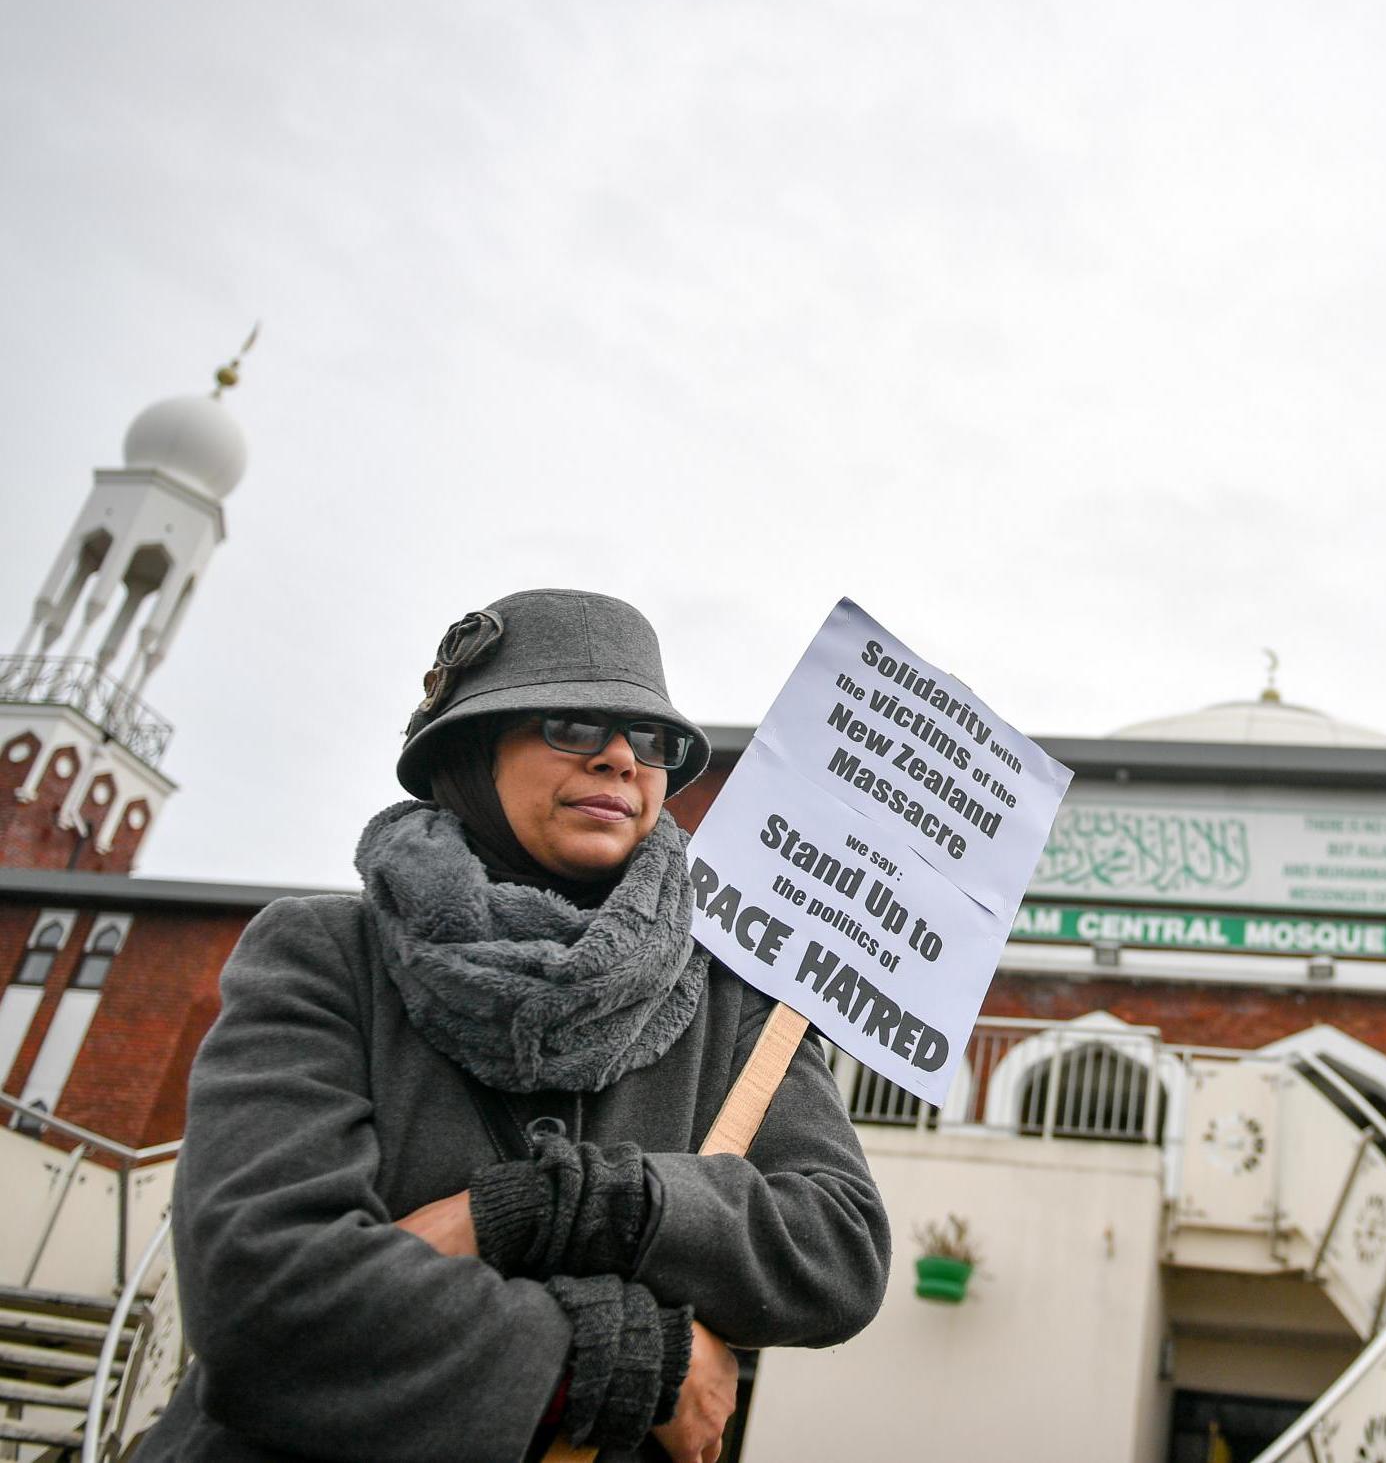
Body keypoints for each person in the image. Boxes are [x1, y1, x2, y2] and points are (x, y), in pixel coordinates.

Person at [140, 589, 891, 1463]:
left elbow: (837, 1248)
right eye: (573, 723)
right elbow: (261, 1300)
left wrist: (564, 1205)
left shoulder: (737, 1006)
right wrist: (620, 1361)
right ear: (471, 751)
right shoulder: (324, 954)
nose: (620, 757)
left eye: (651, 740)